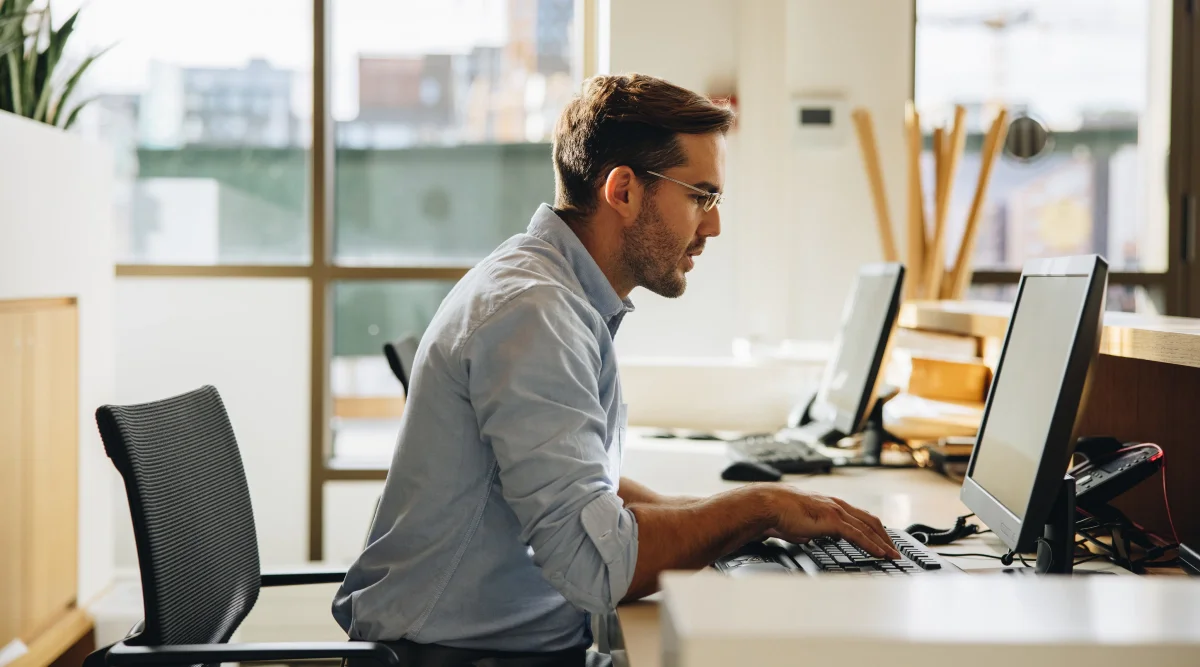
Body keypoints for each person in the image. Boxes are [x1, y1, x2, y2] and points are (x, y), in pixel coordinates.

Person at [332, 73, 900, 666]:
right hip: (452, 657)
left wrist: (732, 518)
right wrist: (756, 509)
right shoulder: (534, 313)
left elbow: (576, 484)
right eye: (701, 197)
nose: (713, 227)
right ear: (623, 191)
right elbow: (594, 568)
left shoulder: (552, 290)